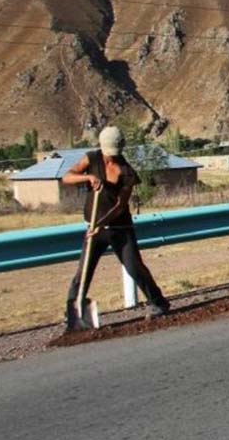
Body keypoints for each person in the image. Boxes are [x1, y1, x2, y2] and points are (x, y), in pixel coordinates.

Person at [63, 126, 169, 330]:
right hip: (93, 229)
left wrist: (100, 224)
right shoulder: (91, 159)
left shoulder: (127, 172)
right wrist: (87, 177)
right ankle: (74, 314)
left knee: (134, 267)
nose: (110, 158)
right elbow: (67, 177)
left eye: (114, 154)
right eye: (108, 153)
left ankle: (159, 302)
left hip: (119, 229)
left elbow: (120, 206)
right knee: (82, 273)